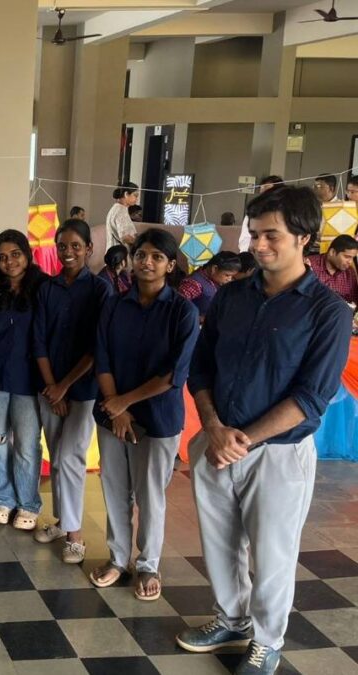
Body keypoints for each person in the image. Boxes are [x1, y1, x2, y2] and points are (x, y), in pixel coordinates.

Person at [177, 186, 352, 674]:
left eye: (271, 235)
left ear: (304, 237)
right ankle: (231, 620)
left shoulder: (327, 312)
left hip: (278, 453)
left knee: (273, 553)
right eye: (254, 234)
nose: (258, 245)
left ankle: (268, 640)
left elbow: (311, 396)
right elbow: (201, 367)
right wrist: (214, 428)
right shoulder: (232, 296)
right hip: (216, 441)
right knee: (219, 544)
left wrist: (245, 440)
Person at [89, 229, 199, 602]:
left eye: (156, 257)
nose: (146, 262)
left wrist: (125, 402)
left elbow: (173, 375)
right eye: (140, 255)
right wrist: (115, 406)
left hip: (159, 417)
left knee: (150, 494)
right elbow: (102, 357)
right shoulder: (114, 305)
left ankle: (149, 564)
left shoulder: (182, 311)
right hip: (111, 413)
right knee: (114, 488)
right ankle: (118, 559)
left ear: (170, 265)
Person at [32, 219, 113, 564]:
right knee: (57, 455)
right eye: (62, 246)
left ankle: (75, 536)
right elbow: (38, 340)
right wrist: (52, 386)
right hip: (49, 388)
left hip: (83, 390)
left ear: (89, 249)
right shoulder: (47, 289)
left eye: (76, 246)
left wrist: (65, 386)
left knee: (70, 458)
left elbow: (98, 346)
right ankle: (63, 522)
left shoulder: (100, 290)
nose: (68, 252)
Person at [0, 230, 46, 532]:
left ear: (27, 254)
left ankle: (27, 503)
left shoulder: (43, 288)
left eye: (15, 254)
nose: (9, 262)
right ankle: (2, 499)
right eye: (2, 257)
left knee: (26, 445)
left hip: (29, 381)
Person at [177, 251, 241, 319]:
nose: (229, 279)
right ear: (214, 269)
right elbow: (177, 306)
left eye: (232, 276)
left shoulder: (213, 281)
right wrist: (199, 318)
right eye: (227, 275)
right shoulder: (194, 284)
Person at [307, 234, 358, 304]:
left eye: (352, 258)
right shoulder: (309, 265)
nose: (350, 262)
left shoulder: (349, 272)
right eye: (347, 257)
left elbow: (353, 302)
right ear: (332, 252)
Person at [239, 176, 284, 252]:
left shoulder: (286, 214)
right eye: (262, 193)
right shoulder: (252, 214)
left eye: (268, 193)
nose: (264, 197)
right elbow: (244, 239)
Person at [106, 182, 139, 249]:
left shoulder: (117, 208)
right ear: (126, 194)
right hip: (120, 252)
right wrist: (141, 243)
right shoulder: (121, 211)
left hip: (114, 251)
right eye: (135, 195)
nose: (137, 199)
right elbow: (125, 238)